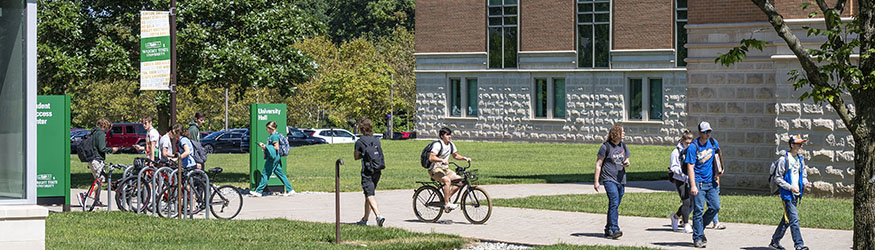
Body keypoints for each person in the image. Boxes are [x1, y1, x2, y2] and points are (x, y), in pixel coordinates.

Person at [769, 135, 811, 250]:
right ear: (792, 145)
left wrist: (805, 183)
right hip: (787, 194)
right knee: (794, 219)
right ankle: (799, 245)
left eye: (801, 144)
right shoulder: (784, 159)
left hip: (796, 194)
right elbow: (778, 178)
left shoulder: (801, 159)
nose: (800, 146)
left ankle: (775, 241)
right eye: (798, 144)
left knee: (787, 220)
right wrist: (790, 187)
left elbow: (803, 176)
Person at [686, 121, 722, 248]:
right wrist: (693, 185)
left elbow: (717, 158)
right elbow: (690, 166)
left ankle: (700, 230)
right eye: (705, 132)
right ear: (700, 132)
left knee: (715, 207)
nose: (708, 134)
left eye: (709, 132)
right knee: (698, 210)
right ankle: (697, 237)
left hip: (711, 181)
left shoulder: (713, 142)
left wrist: (718, 173)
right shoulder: (693, 147)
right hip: (698, 182)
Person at [595, 124, 630, 239]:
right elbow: (598, 164)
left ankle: (608, 228)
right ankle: (614, 228)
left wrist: (627, 163)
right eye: (622, 132)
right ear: (616, 133)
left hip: (621, 179)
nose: (624, 134)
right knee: (614, 202)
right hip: (609, 179)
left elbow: (627, 159)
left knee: (615, 204)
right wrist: (596, 181)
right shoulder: (605, 147)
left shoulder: (623, 146)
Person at [427, 127, 471, 213]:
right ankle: (447, 203)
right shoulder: (438, 145)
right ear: (442, 136)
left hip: (445, 169)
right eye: (447, 135)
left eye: (450, 134)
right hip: (434, 169)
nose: (449, 136)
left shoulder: (451, 144)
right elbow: (431, 157)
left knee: (460, 180)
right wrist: (441, 160)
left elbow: (455, 156)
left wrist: (465, 158)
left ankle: (446, 197)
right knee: (447, 181)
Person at [353, 119, 386, 227]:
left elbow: (356, 157)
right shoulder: (376, 140)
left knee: (370, 194)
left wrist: (363, 154)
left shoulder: (359, 142)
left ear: (361, 129)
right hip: (378, 170)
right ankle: (365, 219)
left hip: (367, 171)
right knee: (368, 194)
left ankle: (378, 216)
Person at [251, 121, 294, 197]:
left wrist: (265, 146)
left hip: (273, 158)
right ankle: (290, 190)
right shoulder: (274, 135)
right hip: (275, 157)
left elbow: (276, 147)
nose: (266, 130)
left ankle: (258, 191)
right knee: (280, 174)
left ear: (270, 128)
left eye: (267, 128)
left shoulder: (274, 136)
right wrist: (266, 148)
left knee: (265, 173)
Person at [669, 129, 694, 233]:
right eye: (686, 143)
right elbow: (673, 167)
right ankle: (686, 224)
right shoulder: (676, 152)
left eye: (690, 143)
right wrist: (682, 172)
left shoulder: (691, 150)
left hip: (690, 179)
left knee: (691, 202)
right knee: (686, 201)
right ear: (682, 140)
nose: (688, 145)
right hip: (680, 179)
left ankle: (675, 217)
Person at [88, 118, 119, 182]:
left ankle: (94, 192)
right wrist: (112, 149)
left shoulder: (93, 132)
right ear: (104, 126)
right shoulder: (100, 133)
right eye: (107, 127)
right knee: (100, 181)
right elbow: (102, 149)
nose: (107, 129)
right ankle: (91, 192)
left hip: (91, 159)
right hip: (97, 160)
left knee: (98, 179)